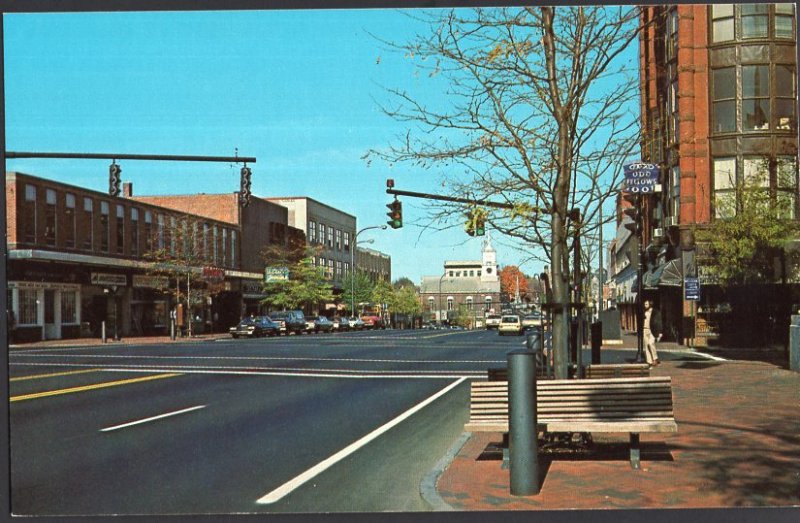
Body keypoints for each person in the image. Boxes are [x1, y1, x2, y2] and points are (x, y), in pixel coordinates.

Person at [643, 299, 662, 366]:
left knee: (651, 343)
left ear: (650, 305)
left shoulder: (655, 312)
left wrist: (660, 332)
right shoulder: (644, 312)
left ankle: (655, 358)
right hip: (645, 330)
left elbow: (659, 322)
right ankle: (649, 362)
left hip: (652, 330)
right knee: (646, 346)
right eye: (644, 304)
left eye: (646, 304)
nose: (645, 306)